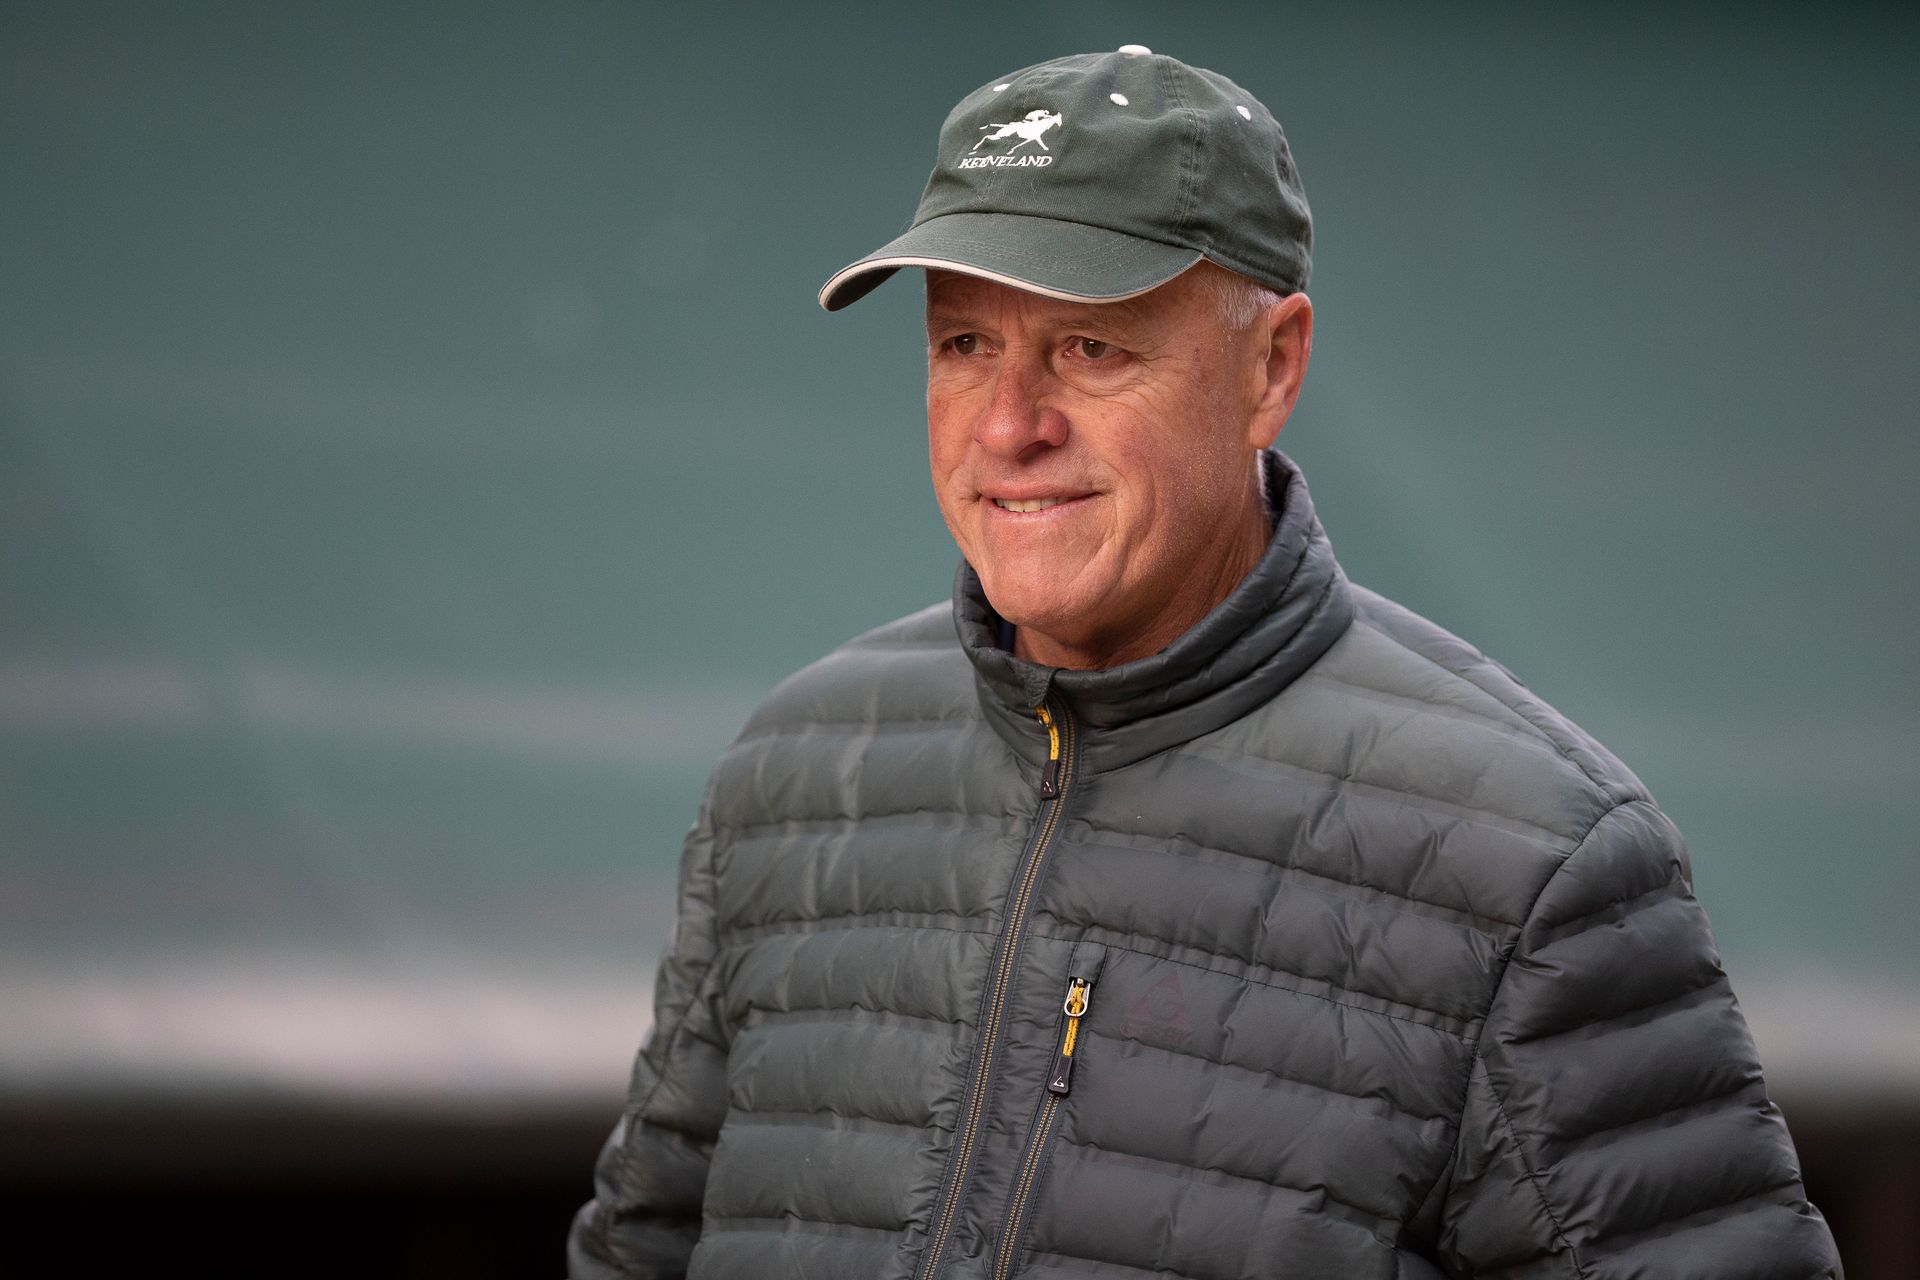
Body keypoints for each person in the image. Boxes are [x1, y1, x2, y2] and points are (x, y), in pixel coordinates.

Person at [569, 47, 1841, 1279]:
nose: (1010, 425)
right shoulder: (797, 774)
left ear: (1271, 366)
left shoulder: (1535, 861)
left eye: (1089, 347)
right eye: (964, 345)